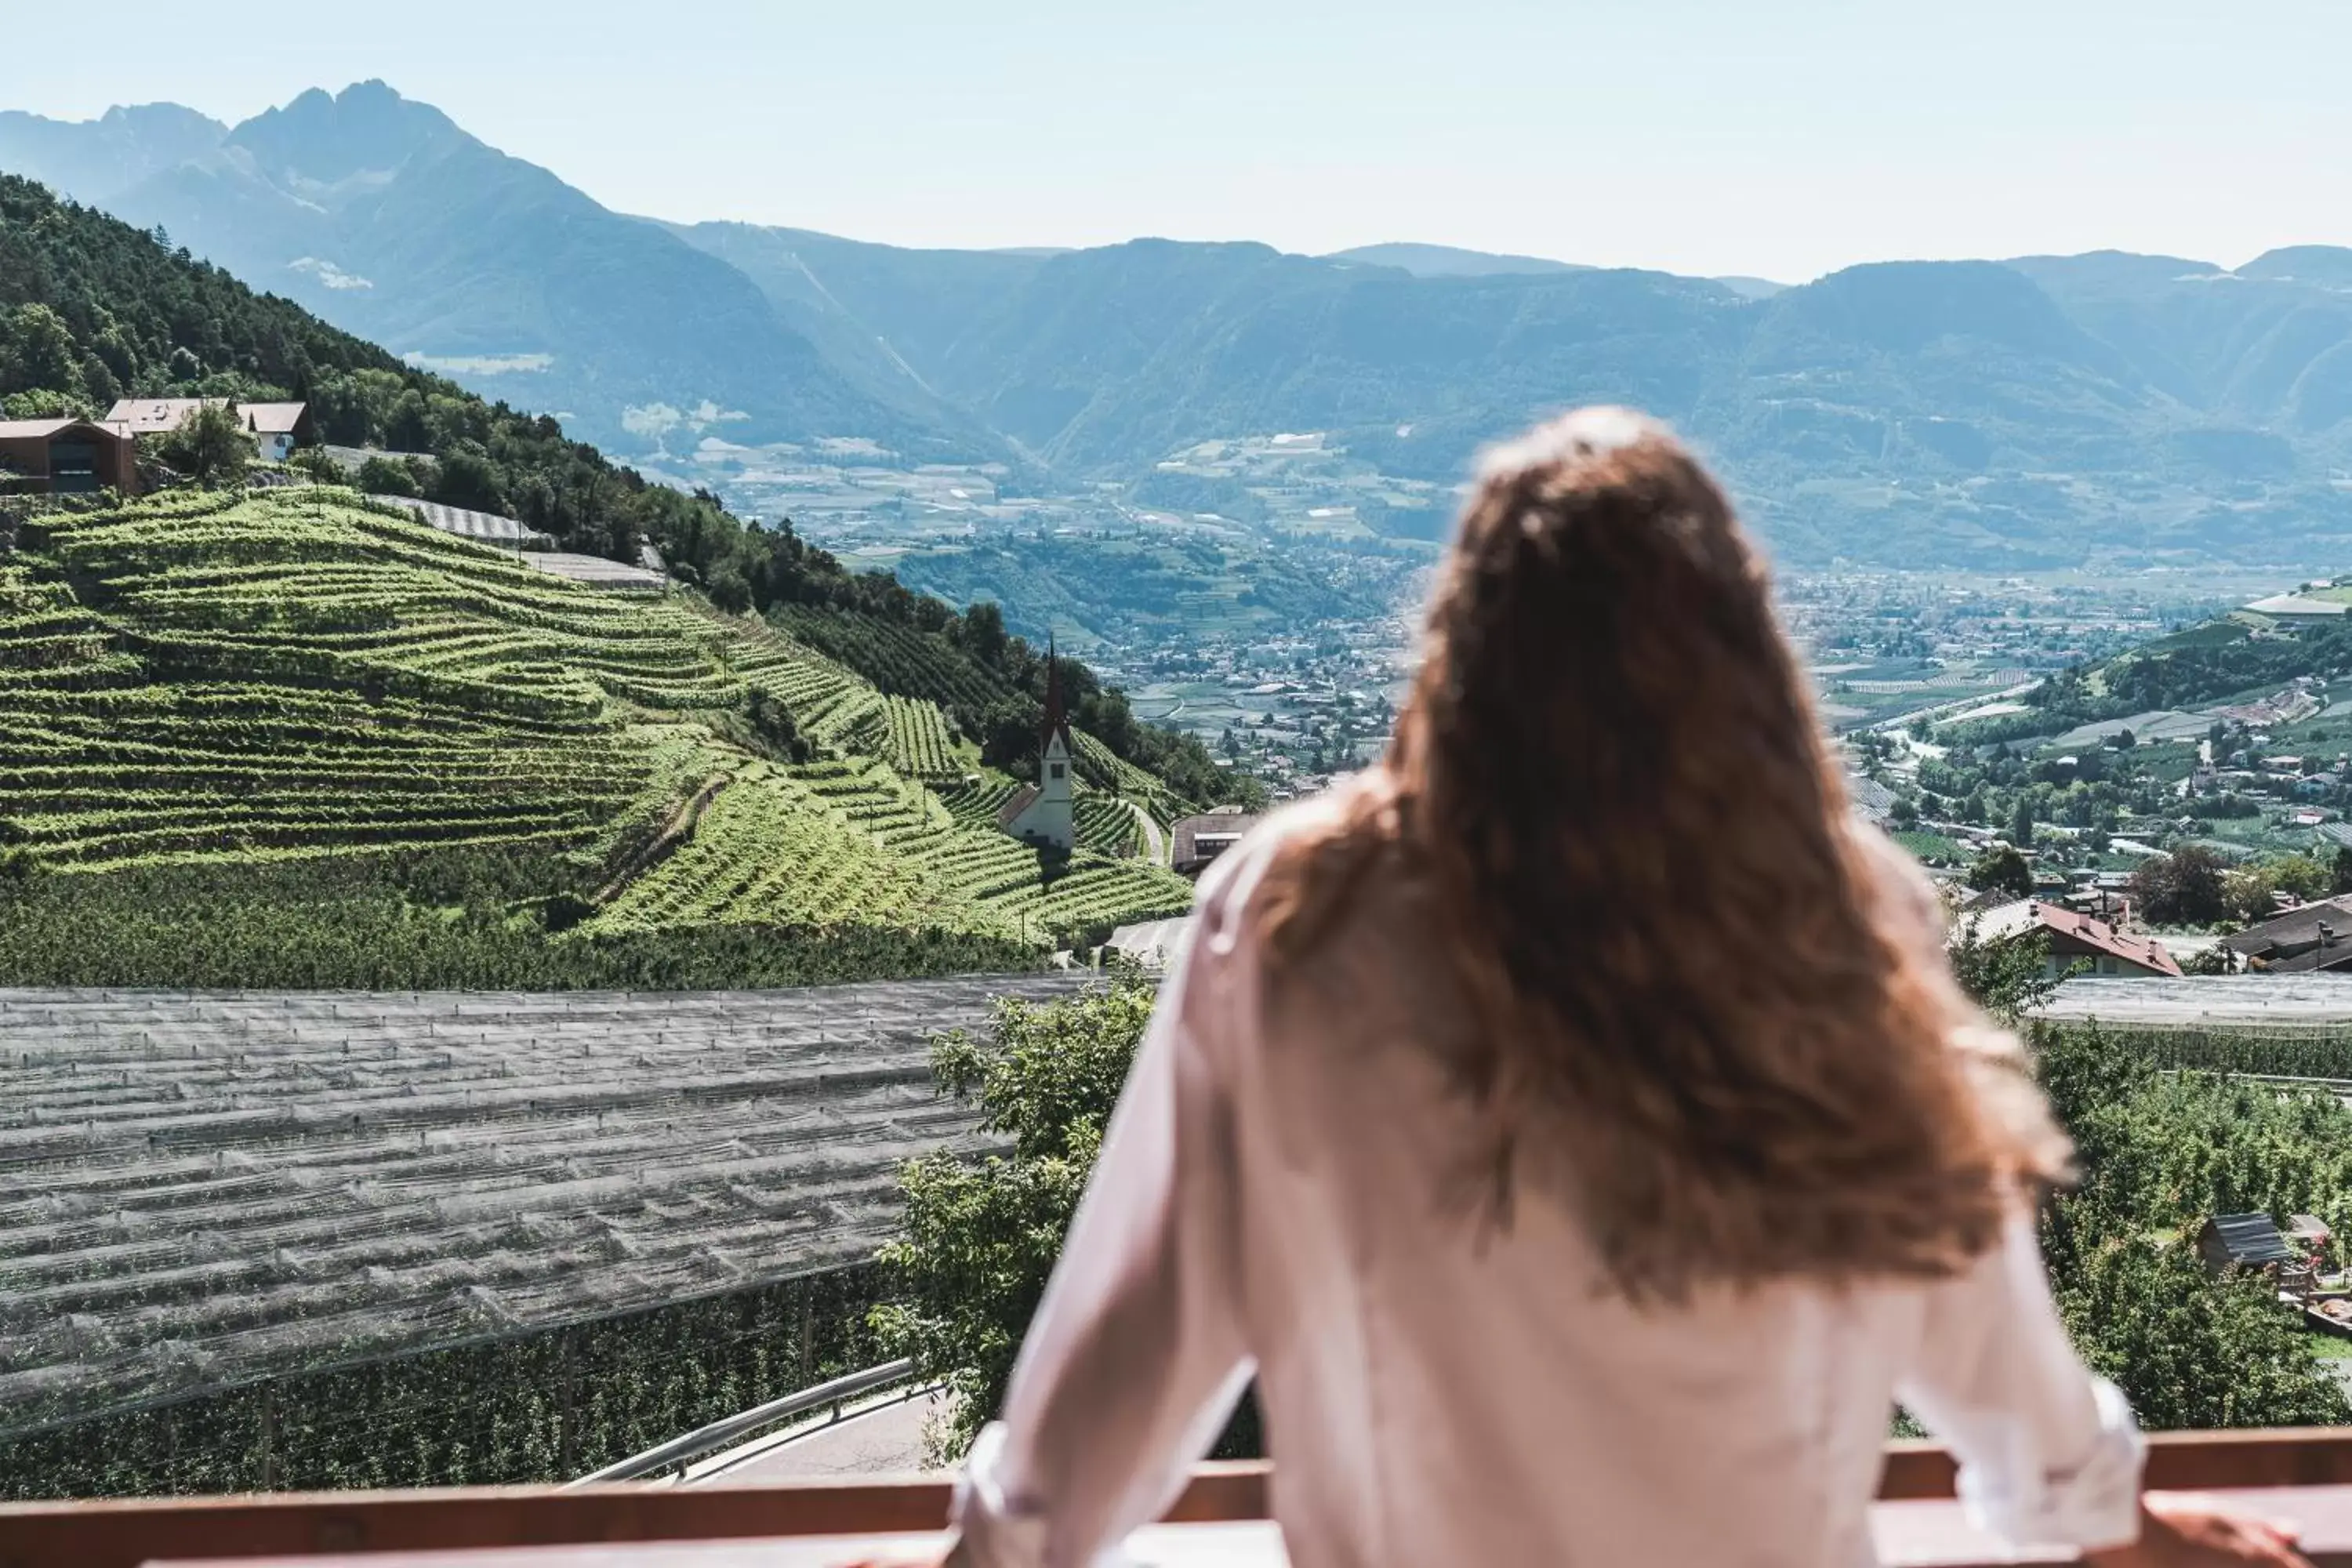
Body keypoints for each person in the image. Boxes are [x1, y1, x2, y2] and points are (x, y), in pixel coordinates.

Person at [937, 410, 2307, 1568]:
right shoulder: (1844, 906)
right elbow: (1957, 1286)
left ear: (1459, 651)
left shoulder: (1305, 908)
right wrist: (2102, 1516)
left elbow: (1151, 1312)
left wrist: (1003, 1546)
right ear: (1742, 651)